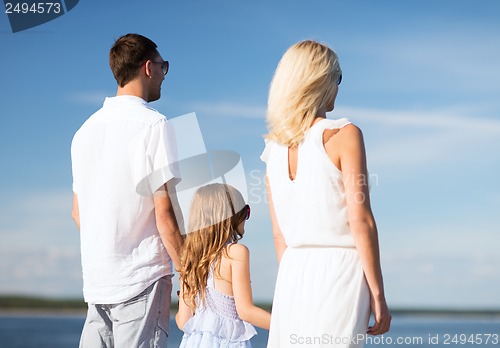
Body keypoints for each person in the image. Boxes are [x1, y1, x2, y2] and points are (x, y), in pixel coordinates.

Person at [261, 40, 391, 347]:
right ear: (320, 80)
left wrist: (295, 281)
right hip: (340, 273)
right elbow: (361, 221)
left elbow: (279, 236)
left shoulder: (272, 151)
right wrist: (378, 295)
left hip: (292, 274)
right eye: (338, 77)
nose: (338, 85)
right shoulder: (344, 135)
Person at [71, 33, 183, 347]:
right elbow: (165, 212)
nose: (164, 74)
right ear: (149, 68)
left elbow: (77, 213)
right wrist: (189, 273)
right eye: (163, 66)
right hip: (142, 279)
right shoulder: (155, 125)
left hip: (97, 282)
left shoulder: (84, 131)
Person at [176, 183, 271, 347]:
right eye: (245, 211)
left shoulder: (190, 259)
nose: (246, 217)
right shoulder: (236, 253)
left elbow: (183, 321)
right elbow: (246, 311)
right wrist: (288, 327)